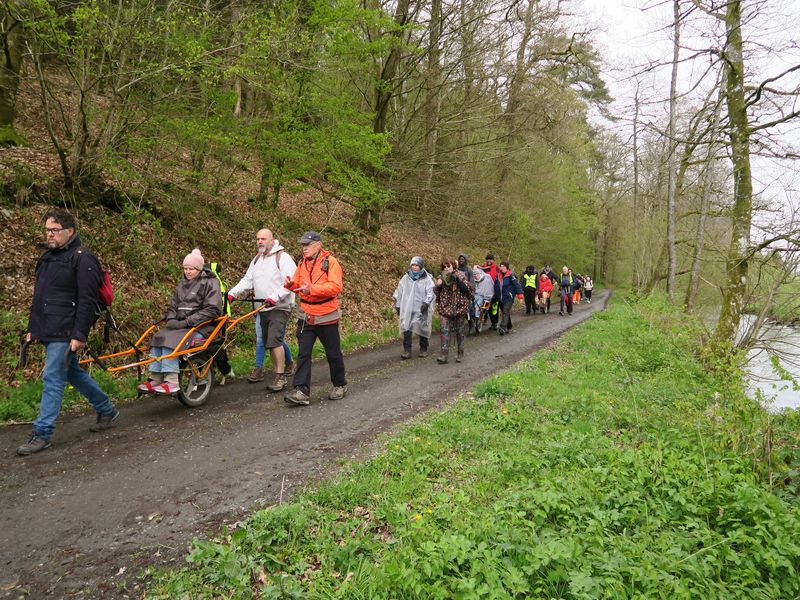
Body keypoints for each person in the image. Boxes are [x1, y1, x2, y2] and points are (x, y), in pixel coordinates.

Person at [17, 209, 120, 455]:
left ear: (70, 231)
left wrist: (79, 335)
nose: (49, 235)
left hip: (66, 331)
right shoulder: (48, 258)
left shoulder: (84, 258)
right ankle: (107, 409)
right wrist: (34, 329)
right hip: (49, 328)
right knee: (71, 373)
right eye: (47, 230)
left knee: (52, 378)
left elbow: (86, 301)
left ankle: (42, 433)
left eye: (54, 230)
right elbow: (41, 297)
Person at [137, 249, 222, 394]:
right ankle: (155, 378)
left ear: (199, 269)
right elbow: (173, 305)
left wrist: (187, 322)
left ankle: (172, 381)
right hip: (181, 326)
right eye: (185, 268)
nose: (188, 272)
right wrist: (171, 318)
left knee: (171, 340)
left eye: (191, 269)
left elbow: (212, 309)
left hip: (202, 326)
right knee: (158, 337)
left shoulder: (210, 283)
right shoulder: (182, 283)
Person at [228, 229, 297, 392]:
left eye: (263, 239)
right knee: (269, 342)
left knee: (274, 341)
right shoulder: (257, 259)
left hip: (279, 307)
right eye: (258, 239)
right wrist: (232, 294)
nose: (260, 242)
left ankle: (279, 377)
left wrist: (275, 297)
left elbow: (291, 282)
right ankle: (280, 370)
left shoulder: (283, 258)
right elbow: (247, 280)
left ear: (272, 240)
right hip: (262, 307)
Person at [283, 231, 347, 406]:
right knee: (303, 354)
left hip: (327, 316)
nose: (304, 248)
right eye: (303, 245)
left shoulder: (331, 262)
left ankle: (340, 384)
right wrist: (291, 285)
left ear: (318, 245)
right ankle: (301, 391)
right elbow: (299, 284)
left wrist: (312, 289)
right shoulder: (302, 263)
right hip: (306, 316)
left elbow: (335, 287)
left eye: (307, 245)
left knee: (333, 353)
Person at [393, 256, 435, 358]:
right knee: (406, 328)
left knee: (423, 328)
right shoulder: (406, 278)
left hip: (421, 308)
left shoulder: (427, 279)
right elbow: (399, 292)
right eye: (413, 265)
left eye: (417, 265)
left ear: (421, 266)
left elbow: (431, 292)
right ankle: (407, 350)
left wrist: (426, 303)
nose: (415, 267)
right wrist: (398, 305)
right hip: (408, 308)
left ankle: (423, 349)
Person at [434, 259, 472, 363]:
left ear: (453, 267)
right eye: (444, 267)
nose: (446, 268)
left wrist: (459, 281)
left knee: (459, 331)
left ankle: (460, 353)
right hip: (445, 308)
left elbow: (469, 290)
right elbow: (436, 294)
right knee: (444, 331)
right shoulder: (441, 277)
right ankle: (444, 355)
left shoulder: (461, 275)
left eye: (448, 266)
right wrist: (437, 285)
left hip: (459, 308)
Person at [495, 261, 524, 335]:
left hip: (509, 297)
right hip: (500, 297)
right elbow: (496, 285)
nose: (502, 268)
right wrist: (494, 293)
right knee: (505, 312)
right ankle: (509, 326)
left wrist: (520, 295)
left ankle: (502, 327)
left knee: (505, 311)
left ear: (507, 267)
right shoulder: (498, 275)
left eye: (503, 266)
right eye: (501, 266)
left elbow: (516, 285)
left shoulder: (511, 275)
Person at [480, 253, 500, 330]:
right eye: (487, 259)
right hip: (485, 293)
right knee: (485, 307)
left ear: (493, 260)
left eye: (490, 259)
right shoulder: (483, 267)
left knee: (494, 309)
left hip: (494, 293)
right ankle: (484, 321)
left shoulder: (497, 268)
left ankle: (494, 323)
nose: (489, 261)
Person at [472, 266, 495, 330]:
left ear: (480, 273)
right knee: (476, 305)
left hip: (488, 297)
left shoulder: (487, 278)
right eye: (474, 275)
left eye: (476, 274)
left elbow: (491, 286)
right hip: (478, 297)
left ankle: (483, 316)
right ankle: (476, 318)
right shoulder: (473, 281)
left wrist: (489, 296)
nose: (475, 276)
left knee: (485, 308)